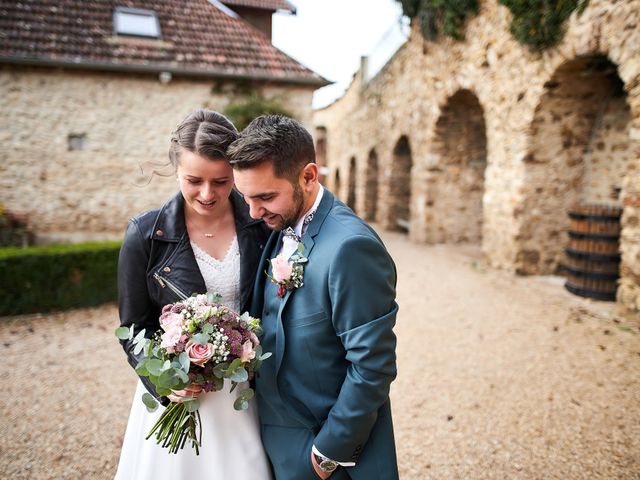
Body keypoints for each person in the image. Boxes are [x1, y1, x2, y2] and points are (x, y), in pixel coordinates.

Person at [228, 115, 399, 480]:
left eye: (265, 197)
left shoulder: (350, 248)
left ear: (308, 176)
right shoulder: (281, 225)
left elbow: (373, 366)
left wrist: (325, 456)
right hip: (270, 442)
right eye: (246, 198)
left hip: (324, 457)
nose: (254, 212)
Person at [114, 109, 272, 479]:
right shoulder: (144, 234)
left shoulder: (261, 226)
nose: (207, 193)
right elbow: (134, 328)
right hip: (180, 397)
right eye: (194, 180)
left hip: (245, 395)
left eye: (221, 181)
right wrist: (165, 383)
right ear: (175, 169)